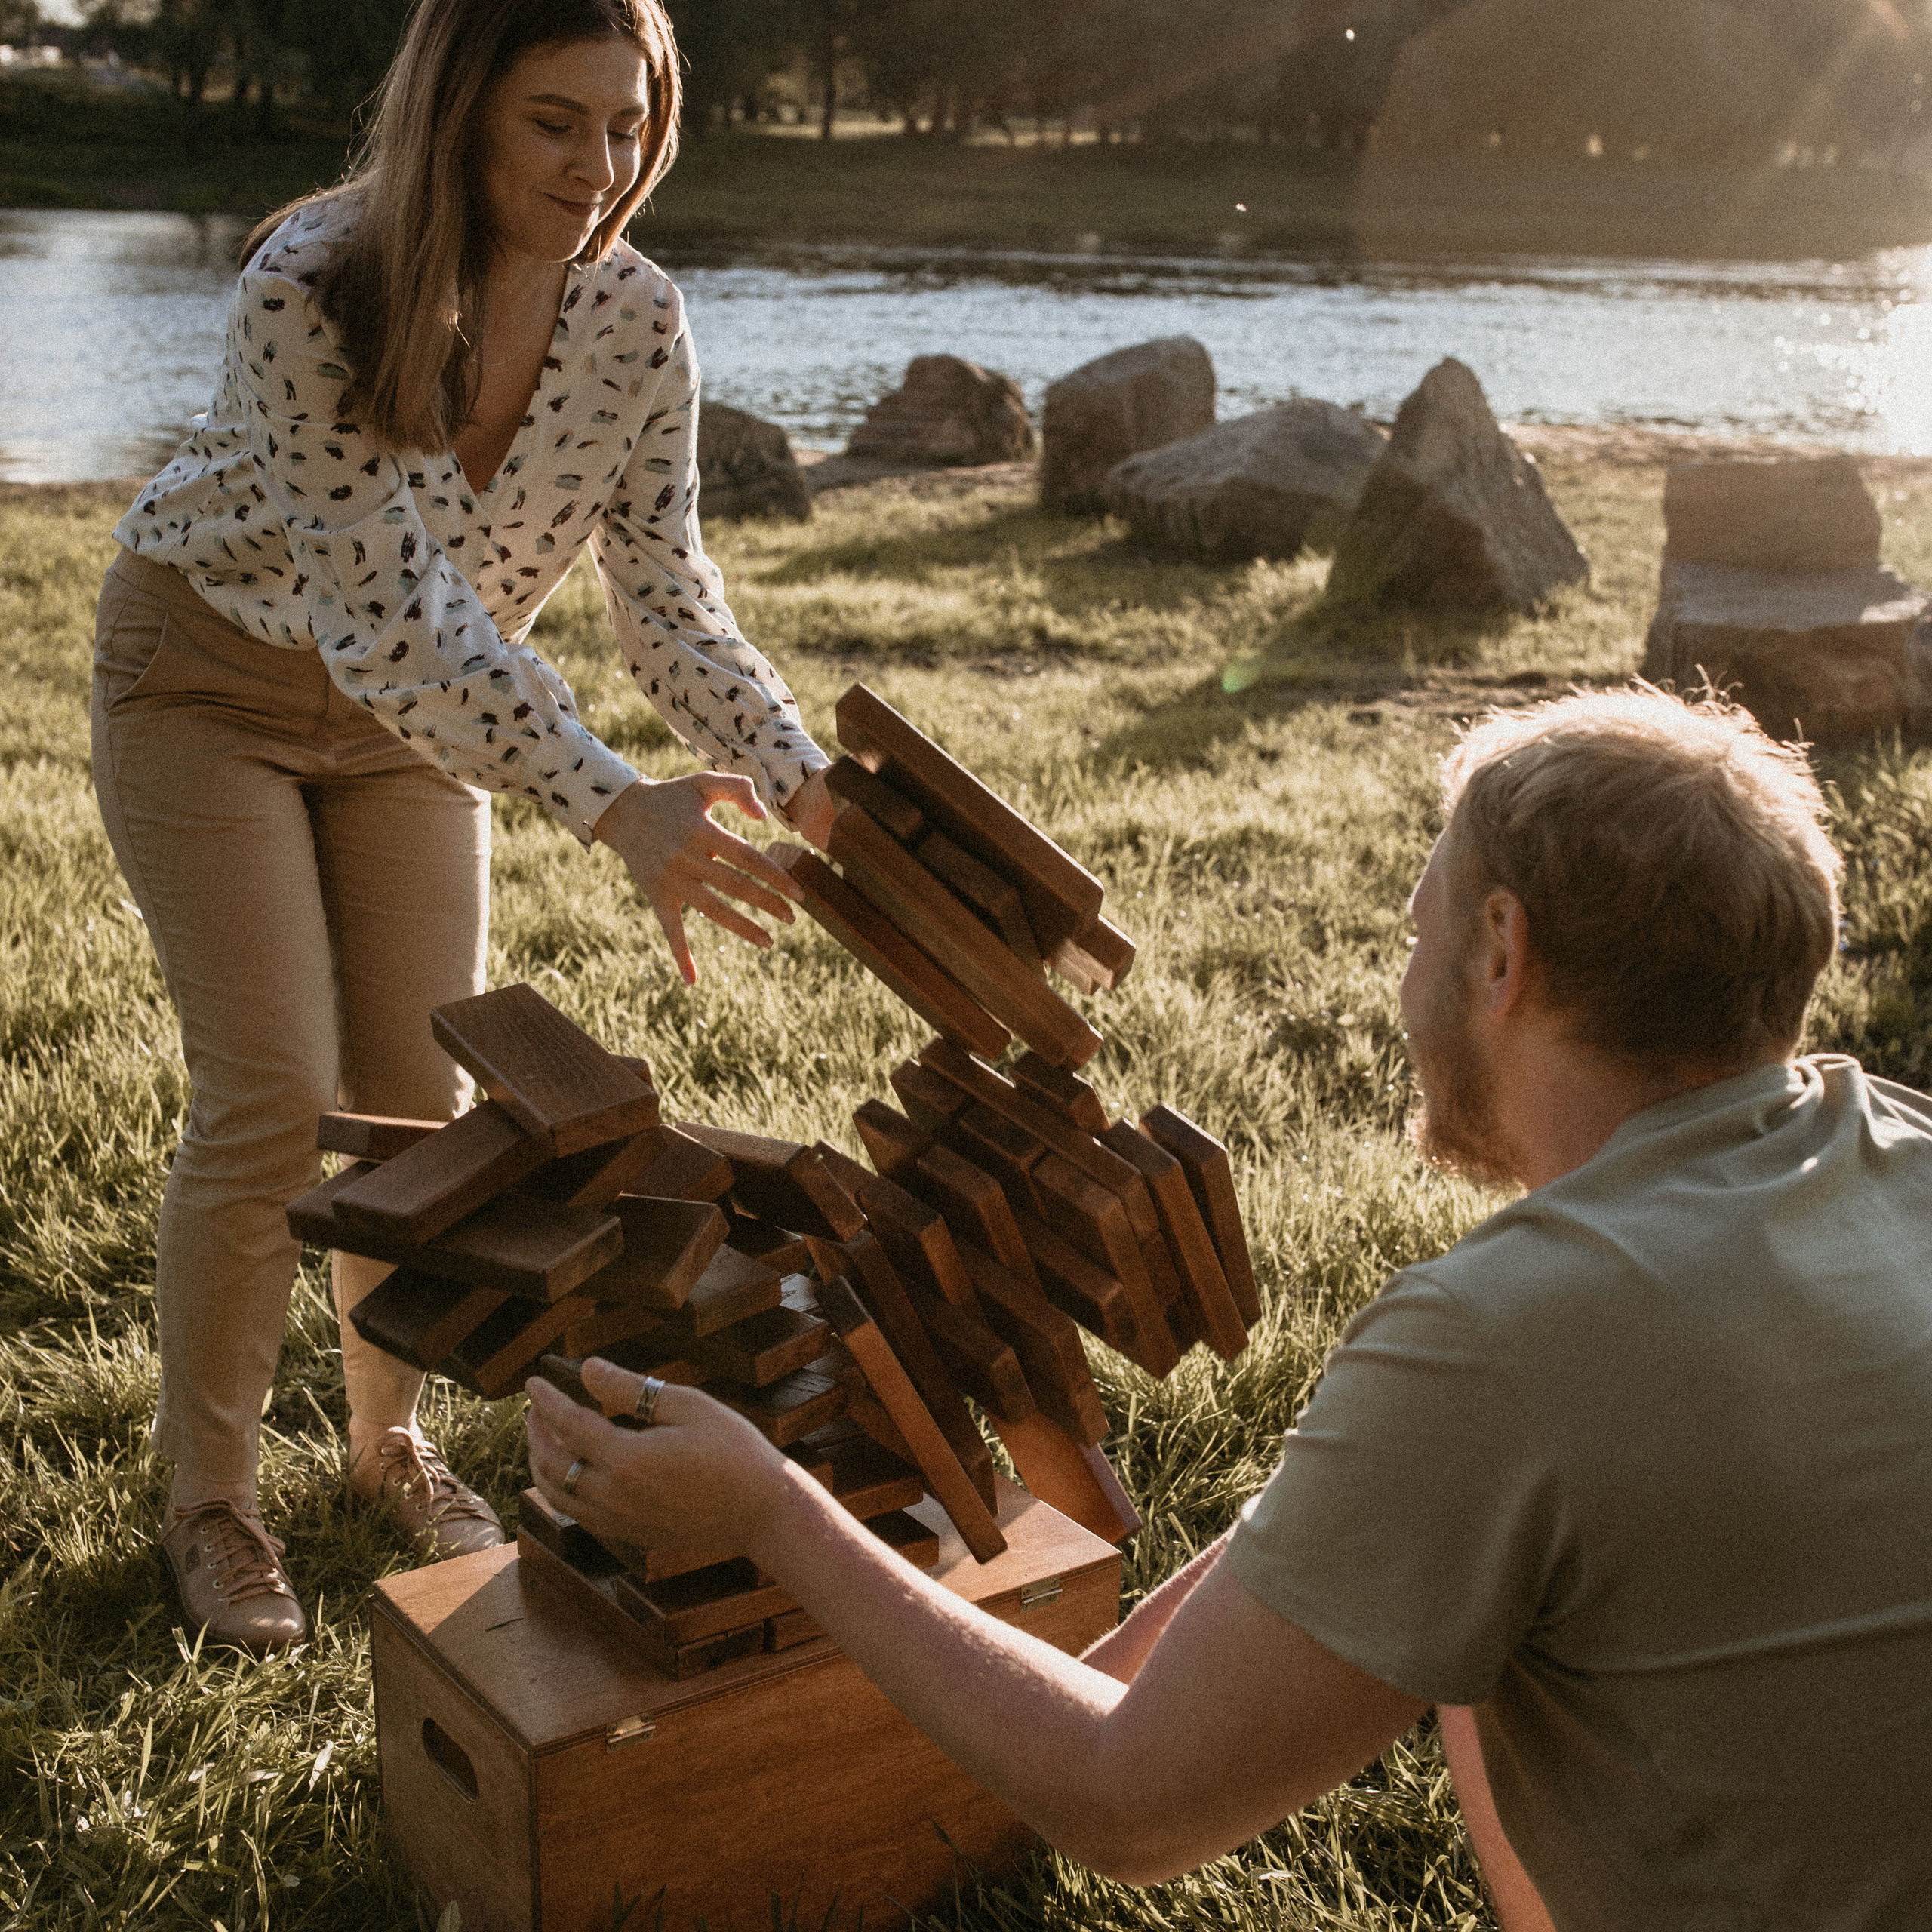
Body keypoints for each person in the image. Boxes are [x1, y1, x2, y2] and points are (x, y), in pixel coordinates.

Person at [526, 686, 1932, 1932]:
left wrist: (772, 1509)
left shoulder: (1503, 1341)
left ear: (1502, 952)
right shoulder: (1908, 1154)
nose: (1404, 986)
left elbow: (1131, 1811)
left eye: (1417, 930)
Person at [96, 0, 835, 1656]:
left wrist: (799, 776)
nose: (599, 167)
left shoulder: (637, 317)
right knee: (273, 1094)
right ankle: (211, 1501)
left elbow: (666, 595)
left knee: (416, 1109)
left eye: (627, 125)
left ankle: (387, 1446)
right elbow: (390, 622)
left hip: (421, 730)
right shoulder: (311, 284)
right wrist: (616, 805)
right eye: (552, 123)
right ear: (459, 113)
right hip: (205, 683)